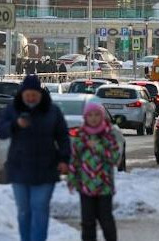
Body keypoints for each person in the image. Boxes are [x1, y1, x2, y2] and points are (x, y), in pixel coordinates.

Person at [0, 75, 70, 241]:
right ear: (22, 94)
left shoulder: (52, 111)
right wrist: (16, 124)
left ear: (40, 94)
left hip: (46, 170)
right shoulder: (13, 109)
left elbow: (63, 137)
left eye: (34, 94)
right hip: (19, 169)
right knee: (24, 211)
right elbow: (0, 130)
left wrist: (64, 159)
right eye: (27, 94)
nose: (30, 98)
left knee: (40, 208)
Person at [67, 102, 121, 241]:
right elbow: (74, 160)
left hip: (104, 186)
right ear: (85, 117)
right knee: (87, 222)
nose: (93, 118)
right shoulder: (80, 135)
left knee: (106, 219)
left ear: (102, 116)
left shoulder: (108, 134)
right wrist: (72, 179)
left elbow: (115, 158)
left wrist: (98, 147)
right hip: (85, 186)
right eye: (90, 115)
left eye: (97, 114)